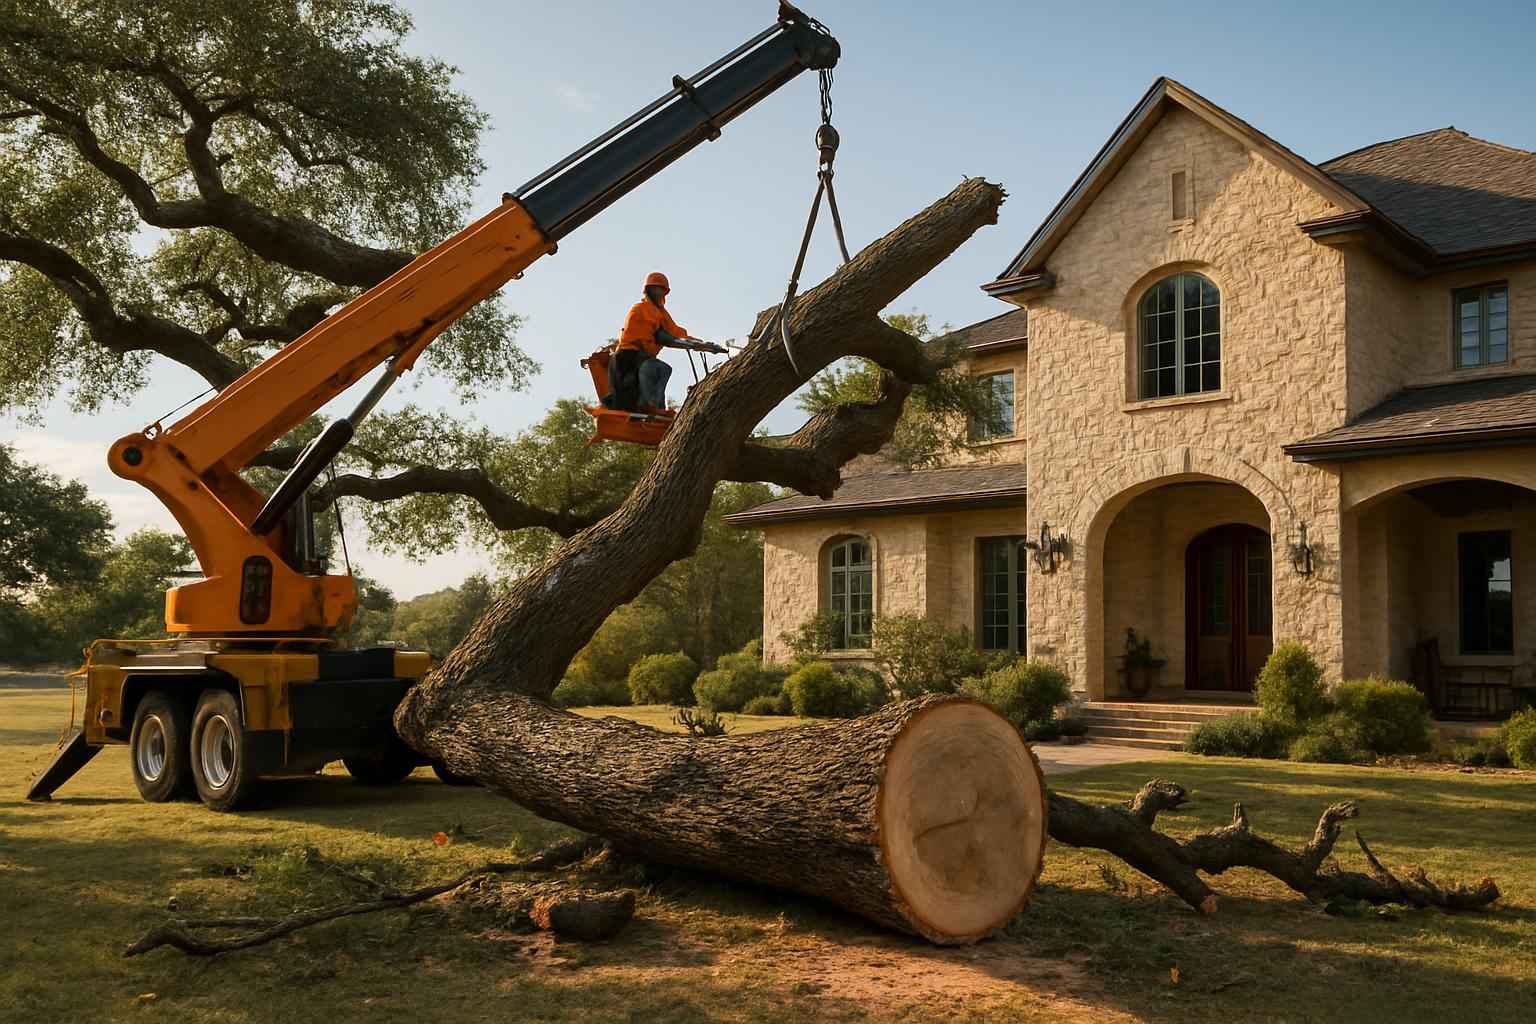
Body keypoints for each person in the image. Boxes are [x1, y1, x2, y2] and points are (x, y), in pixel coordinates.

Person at [610, 271, 688, 413]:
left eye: (661, 289)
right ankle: (648, 404)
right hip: (628, 357)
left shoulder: (660, 313)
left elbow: (674, 331)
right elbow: (647, 335)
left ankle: (657, 406)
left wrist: (699, 343)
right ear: (648, 290)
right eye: (655, 289)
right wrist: (663, 337)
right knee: (655, 368)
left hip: (643, 357)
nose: (658, 292)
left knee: (664, 369)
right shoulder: (639, 309)